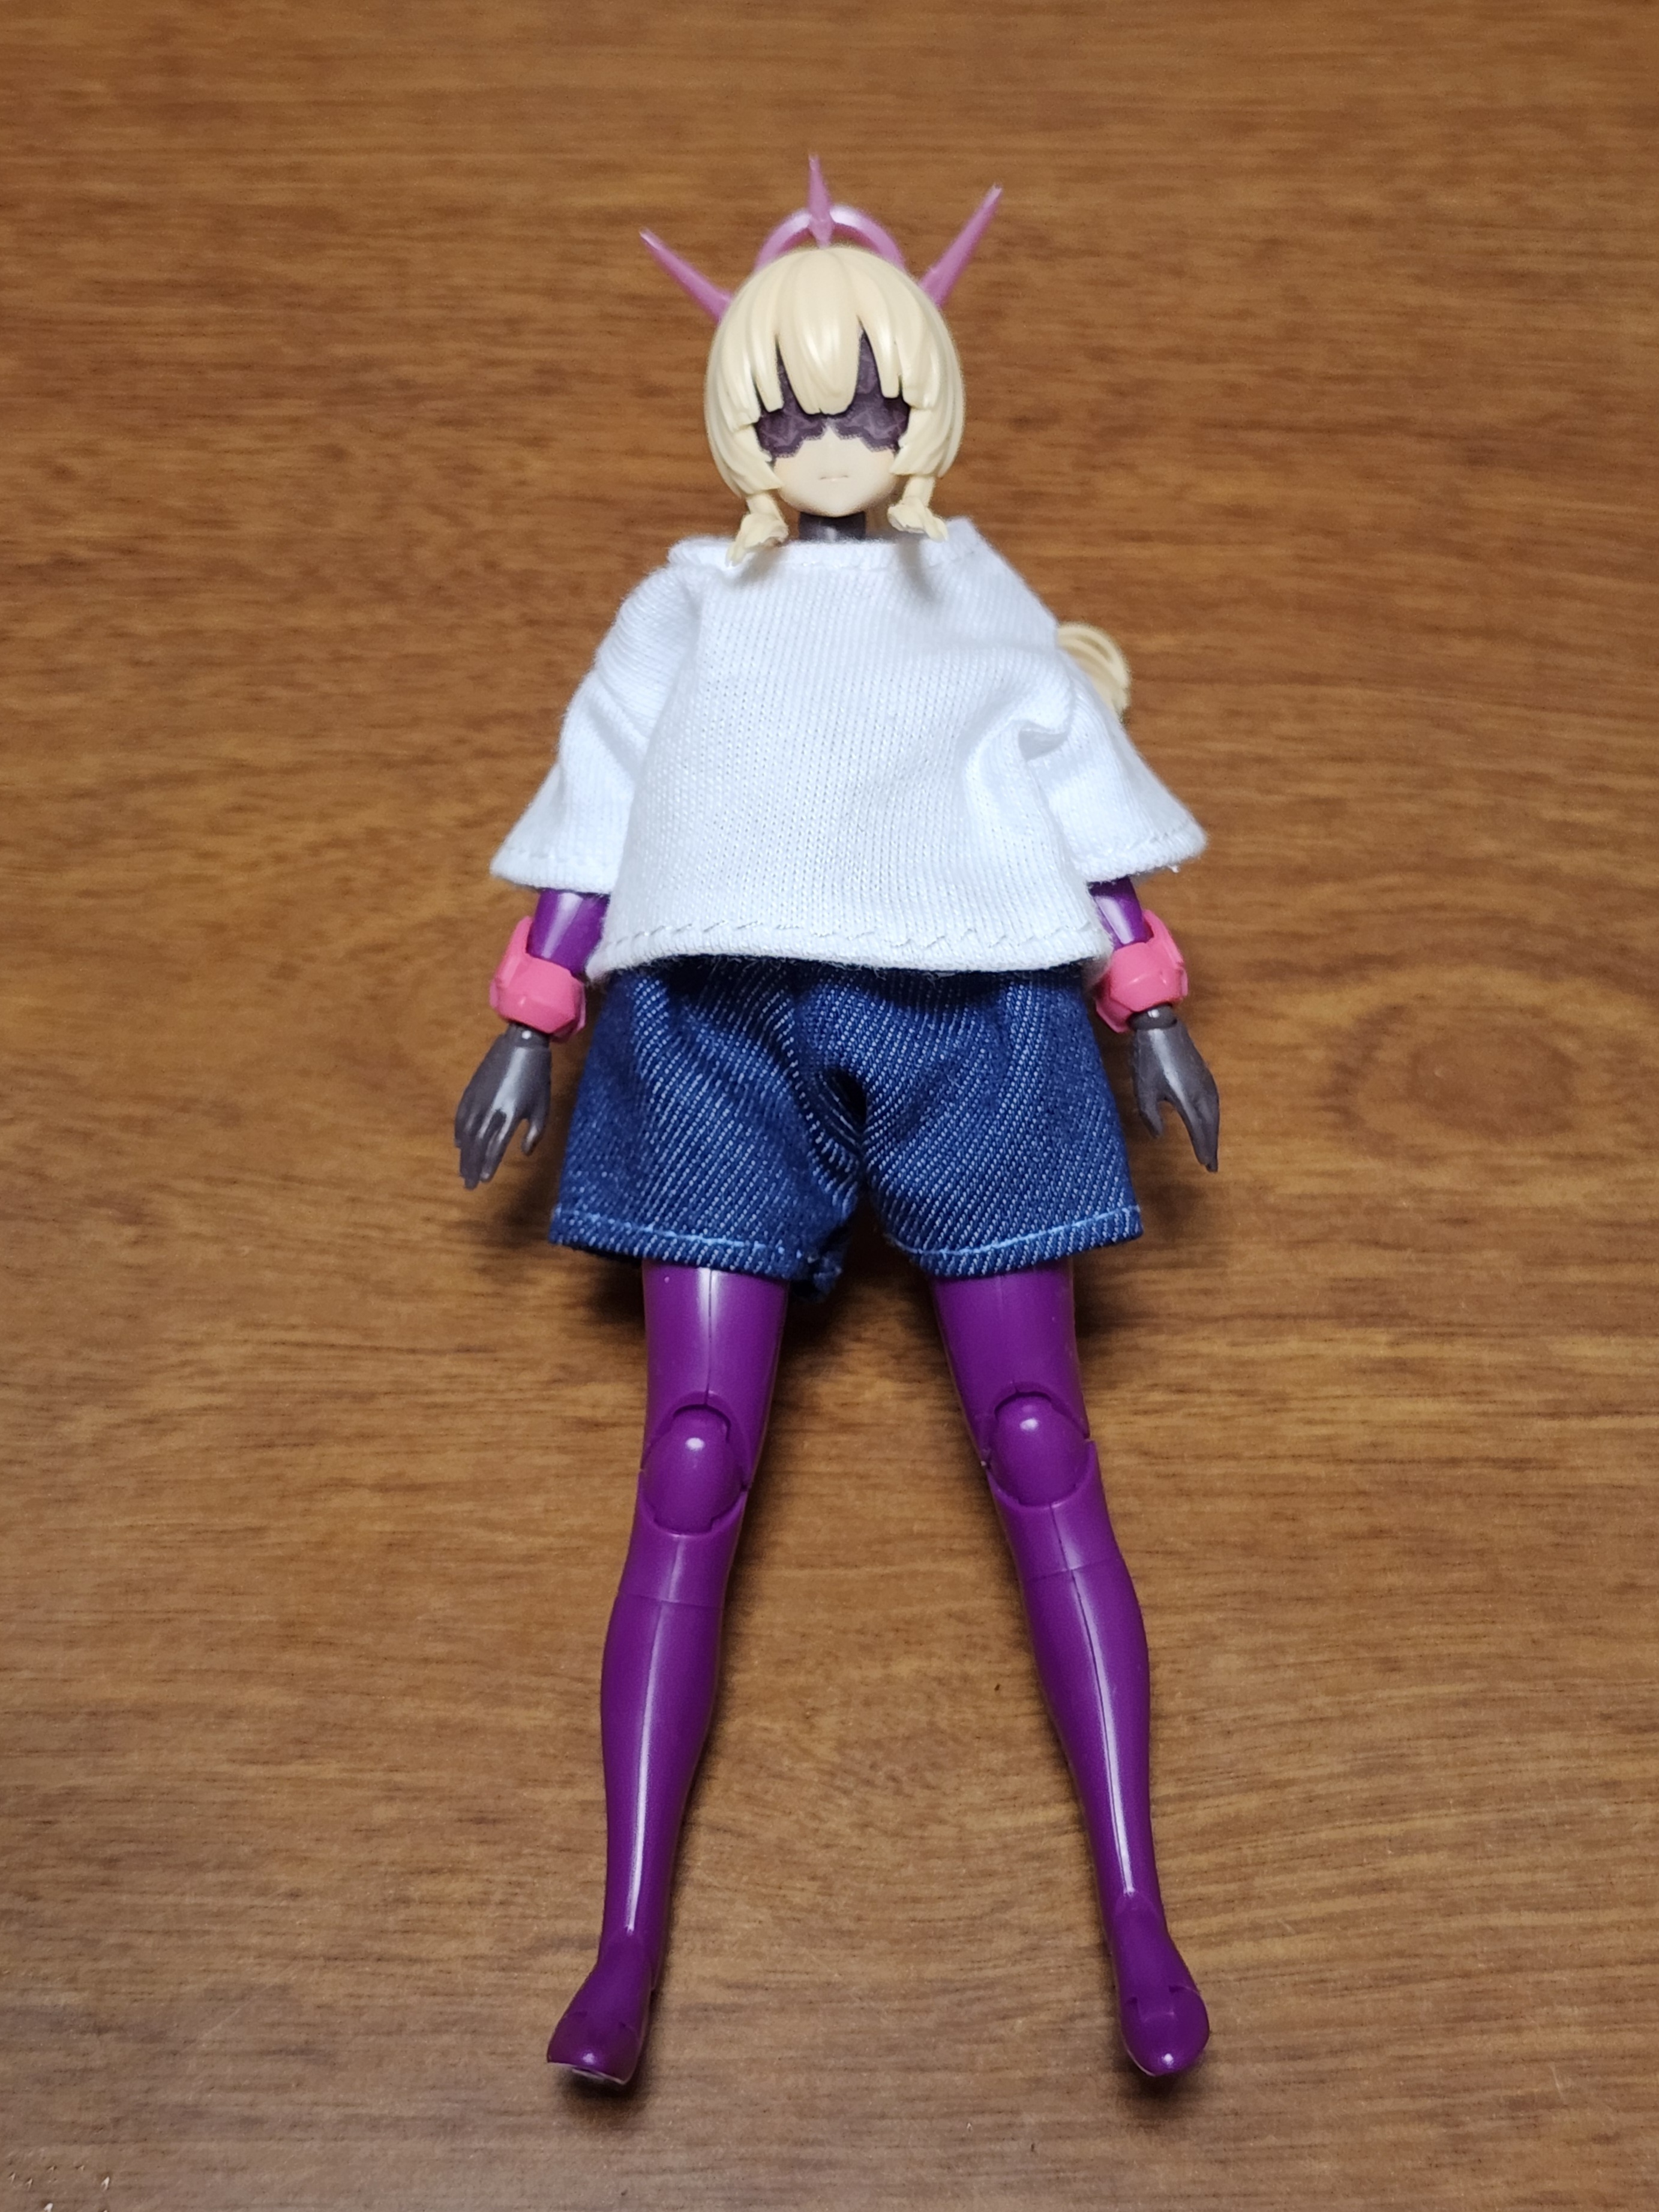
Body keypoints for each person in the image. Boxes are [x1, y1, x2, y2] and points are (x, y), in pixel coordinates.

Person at [455, 164, 1220, 2087]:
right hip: (715, 1026)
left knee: (1040, 1437)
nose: (834, 438)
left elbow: (1073, 790)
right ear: (739, 420)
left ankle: (1141, 1918)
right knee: (692, 1458)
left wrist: (1144, 997)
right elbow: (601, 820)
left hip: (981, 1020)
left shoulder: (980, 594)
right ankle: (625, 1944)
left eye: (872, 402)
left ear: (930, 402)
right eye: (790, 410)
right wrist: (534, 1018)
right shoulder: (684, 606)